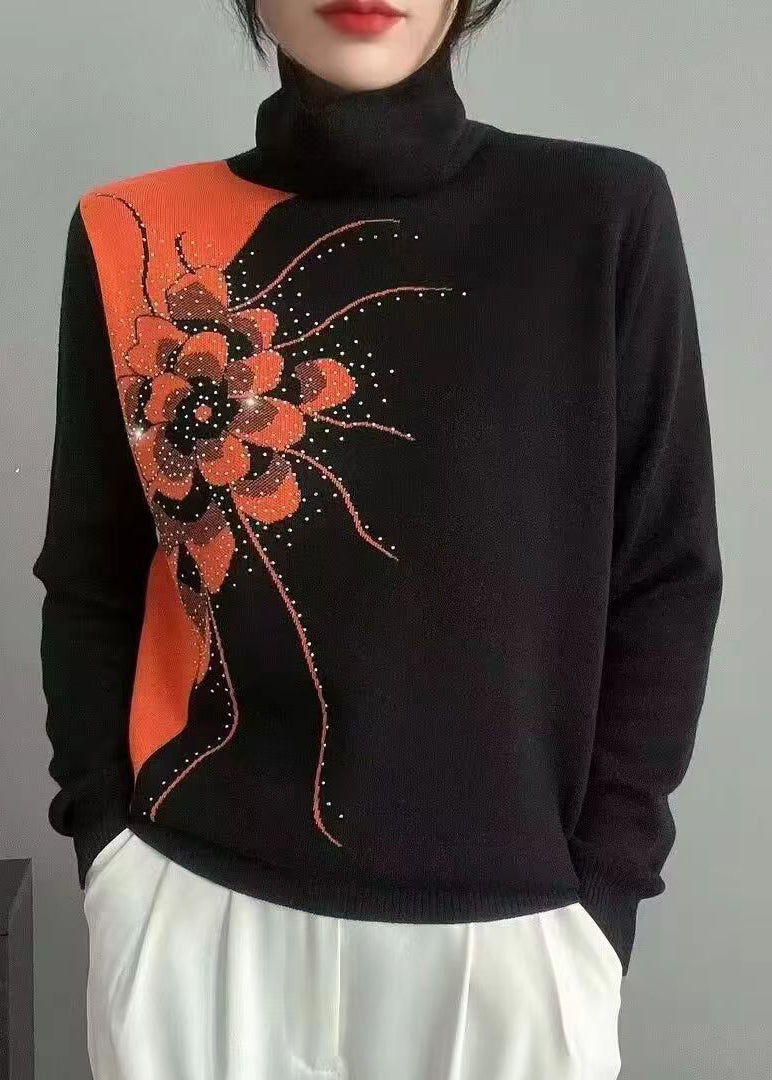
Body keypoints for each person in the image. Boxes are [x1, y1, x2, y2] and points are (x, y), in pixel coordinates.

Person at [31, 1, 723, 1077]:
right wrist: (109, 854)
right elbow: (91, 576)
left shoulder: (599, 216)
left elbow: (667, 575)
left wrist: (600, 899)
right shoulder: (131, 229)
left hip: (511, 943)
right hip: (190, 914)